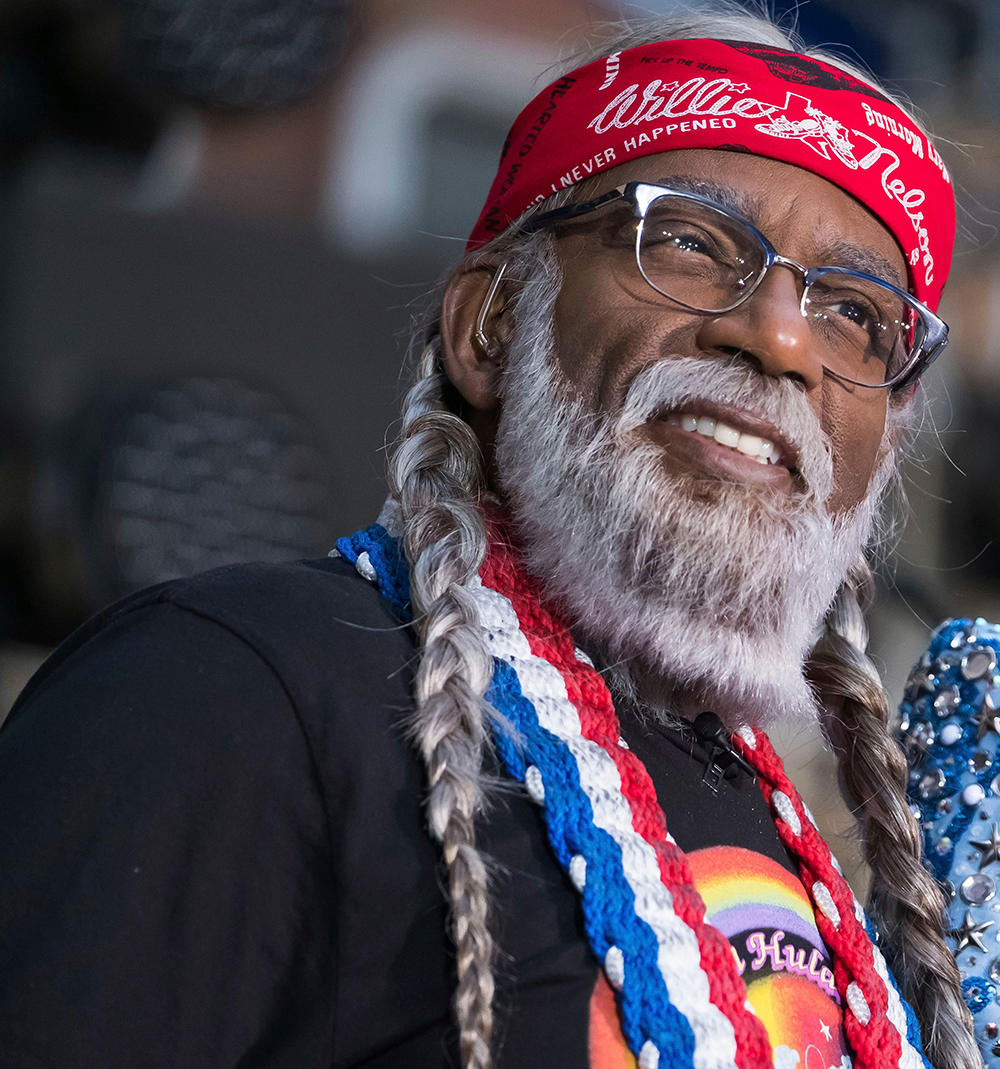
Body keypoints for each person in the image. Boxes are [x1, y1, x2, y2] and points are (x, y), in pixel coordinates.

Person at [0, 8, 981, 1069]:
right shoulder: (227, 687)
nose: (780, 335)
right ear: (489, 326)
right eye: (691, 244)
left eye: (854, 315)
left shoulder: (819, 865)